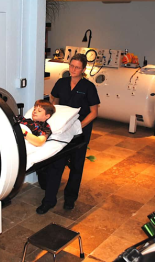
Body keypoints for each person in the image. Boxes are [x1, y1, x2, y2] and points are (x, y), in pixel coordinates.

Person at [36, 53, 100, 214]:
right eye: (71, 66)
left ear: (84, 69)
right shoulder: (61, 82)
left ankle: (70, 198)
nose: (73, 69)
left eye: (77, 67)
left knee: (77, 165)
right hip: (63, 131)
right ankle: (49, 200)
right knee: (57, 163)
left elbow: (94, 112)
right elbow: (53, 101)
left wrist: (79, 126)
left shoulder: (88, 87)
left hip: (80, 131)